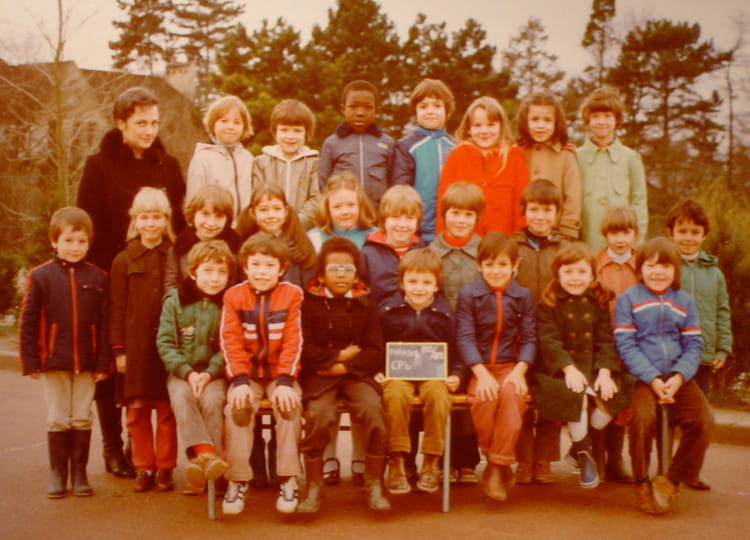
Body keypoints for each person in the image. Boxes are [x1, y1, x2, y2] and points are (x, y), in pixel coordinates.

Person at [77, 86, 185, 479]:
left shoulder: (168, 166)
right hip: (112, 276)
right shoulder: (98, 165)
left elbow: (179, 224)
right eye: (141, 123)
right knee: (113, 365)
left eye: (154, 122)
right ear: (121, 124)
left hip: (158, 277)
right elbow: (88, 223)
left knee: (153, 364)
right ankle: (112, 445)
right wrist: (99, 275)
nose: (149, 130)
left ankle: (140, 447)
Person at [614, 237, 713, 515]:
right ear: (640, 269)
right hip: (642, 378)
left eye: (666, 266)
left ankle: (671, 480)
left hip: (678, 378)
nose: (658, 272)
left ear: (676, 270)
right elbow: (626, 346)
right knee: (642, 419)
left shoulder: (684, 301)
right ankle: (641, 480)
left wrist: (679, 377)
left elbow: (694, 345)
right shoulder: (629, 299)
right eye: (651, 265)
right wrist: (653, 379)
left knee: (704, 420)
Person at [19, 207, 109, 498]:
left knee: (82, 416)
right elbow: (28, 321)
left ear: (89, 243)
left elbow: (105, 324)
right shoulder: (40, 276)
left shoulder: (98, 277)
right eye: (68, 240)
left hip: (87, 361)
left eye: (81, 241)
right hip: (53, 361)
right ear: (54, 241)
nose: (75, 247)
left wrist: (103, 363)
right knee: (58, 417)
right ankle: (58, 474)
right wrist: (31, 361)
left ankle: (79, 474)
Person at [297, 237, 391, 512]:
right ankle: (314, 485)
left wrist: (347, 367)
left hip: (356, 375)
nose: (341, 274)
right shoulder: (308, 303)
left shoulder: (365, 302)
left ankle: (374, 482)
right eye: (334, 268)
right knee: (318, 415)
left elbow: (375, 350)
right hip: (319, 374)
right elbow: (304, 348)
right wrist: (339, 356)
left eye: (348, 269)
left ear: (356, 274)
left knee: (373, 411)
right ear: (321, 274)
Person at [533, 243, 633, 490]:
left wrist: (605, 372)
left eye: (581, 272)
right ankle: (585, 456)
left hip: (593, 366)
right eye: (568, 272)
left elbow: (606, 340)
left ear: (592, 276)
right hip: (557, 370)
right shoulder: (548, 303)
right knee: (576, 396)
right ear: (558, 274)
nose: (575, 278)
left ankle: (577, 445)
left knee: (614, 396)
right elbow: (549, 341)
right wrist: (568, 369)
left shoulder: (598, 301)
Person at [221, 233, 304, 516]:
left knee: (289, 406)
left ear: (281, 269)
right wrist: (239, 381)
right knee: (237, 407)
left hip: (280, 374)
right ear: (245, 266)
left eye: (269, 265)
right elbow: (230, 341)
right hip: (248, 375)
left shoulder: (292, 294)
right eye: (255, 264)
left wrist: (285, 381)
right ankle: (238, 479)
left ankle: (288, 477)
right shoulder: (233, 296)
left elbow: (294, 340)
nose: (262, 272)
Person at [456, 232, 536, 502]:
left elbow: (530, 337)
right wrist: (481, 373)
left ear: (515, 265)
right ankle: (500, 462)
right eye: (489, 264)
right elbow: (465, 337)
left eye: (503, 264)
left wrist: (520, 370)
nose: (496, 271)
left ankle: (494, 466)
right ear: (479, 265)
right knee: (484, 399)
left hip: (510, 366)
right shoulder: (469, 294)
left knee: (512, 397)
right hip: (479, 367)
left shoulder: (522, 296)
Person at [109, 187, 178, 493]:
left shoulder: (174, 256)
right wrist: (119, 351)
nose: (151, 224)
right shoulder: (123, 260)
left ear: (167, 220)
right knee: (136, 413)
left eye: (157, 217)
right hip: (135, 350)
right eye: (145, 217)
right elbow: (116, 309)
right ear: (135, 220)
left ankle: (165, 467)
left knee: (166, 411)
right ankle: (143, 466)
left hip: (167, 348)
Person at [378, 249, 462, 495]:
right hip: (398, 375)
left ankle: (431, 461)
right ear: (401, 282)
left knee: (439, 396)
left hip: (434, 376)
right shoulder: (387, 312)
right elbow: (376, 346)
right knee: (394, 396)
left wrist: (457, 374)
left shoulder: (446, 315)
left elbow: (457, 351)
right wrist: (378, 371)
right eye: (413, 281)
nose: (419, 288)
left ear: (437, 285)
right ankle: (396, 460)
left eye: (426, 282)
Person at [157, 240, 234, 495]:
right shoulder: (175, 300)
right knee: (182, 397)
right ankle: (206, 459)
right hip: (182, 372)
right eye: (208, 270)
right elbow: (165, 342)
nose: (215, 278)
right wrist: (188, 373)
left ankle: (204, 471)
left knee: (212, 402)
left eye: (221, 272)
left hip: (214, 373)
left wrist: (210, 373)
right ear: (193, 272)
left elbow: (230, 344)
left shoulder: (229, 303)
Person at [666, 199, 732, 490]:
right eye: (682, 231)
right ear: (671, 233)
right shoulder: (666, 267)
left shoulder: (714, 273)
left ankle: (690, 470)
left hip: (702, 355)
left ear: (704, 235)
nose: (688, 238)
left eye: (695, 232)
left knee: (697, 418)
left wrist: (723, 347)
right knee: (669, 415)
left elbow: (722, 310)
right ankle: (665, 468)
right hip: (671, 355)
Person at [512, 179, 569, 485]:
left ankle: (544, 458)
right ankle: (523, 458)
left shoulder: (565, 248)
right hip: (518, 335)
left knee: (551, 396)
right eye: (534, 209)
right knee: (521, 396)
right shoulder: (513, 245)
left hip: (553, 334)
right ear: (524, 211)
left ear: (557, 213)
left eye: (548, 210)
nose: (540, 216)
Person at [429, 182, 485, 484]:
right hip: (438, 337)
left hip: (474, 337)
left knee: (467, 399)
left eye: (468, 214)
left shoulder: (484, 253)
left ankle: (467, 462)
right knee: (442, 396)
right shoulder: (430, 252)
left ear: (477, 218)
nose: (461, 220)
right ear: (444, 215)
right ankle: (440, 461)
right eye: (455, 213)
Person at [437, 96, 529, 236]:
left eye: (491, 125)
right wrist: (443, 240)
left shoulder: (514, 158)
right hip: (464, 241)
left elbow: (521, 207)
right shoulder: (457, 157)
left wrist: (520, 241)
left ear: (501, 127)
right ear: (468, 129)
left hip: (503, 241)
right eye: (477, 125)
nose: (484, 131)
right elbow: (443, 205)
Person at [594, 205, 640, 484]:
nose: (620, 239)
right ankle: (597, 458)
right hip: (602, 341)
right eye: (614, 233)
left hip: (631, 343)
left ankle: (615, 458)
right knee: (601, 399)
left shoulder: (641, 265)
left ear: (635, 234)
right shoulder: (596, 265)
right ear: (605, 235)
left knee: (623, 402)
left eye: (626, 233)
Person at [576, 86, 647, 252]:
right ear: (587, 120)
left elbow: (639, 204)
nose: (601, 122)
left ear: (617, 119)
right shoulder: (575, 157)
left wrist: (636, 245)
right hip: (585, 247)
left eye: (607, 116)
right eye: (595, 116)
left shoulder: (631, 158)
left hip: (622, 249)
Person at [390, 79, 456, 242]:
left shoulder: (456, 146)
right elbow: (401, 190)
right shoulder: (406, 146)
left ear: (447, 110)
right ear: (415, 111)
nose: (430, 111)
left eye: (437, 106)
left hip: (451, 230)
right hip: (417, 232)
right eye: (424, 106)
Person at [515, 90, 581, 240]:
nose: (540, 126)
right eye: (534, 119)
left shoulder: (566, 156)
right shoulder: (517, 152)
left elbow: (573, 197)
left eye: (547, 120)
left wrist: (567, 232)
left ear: (556, 123)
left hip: (555, 234)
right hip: (521, 234)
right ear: (525, 121)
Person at [318, 80, 394, 206]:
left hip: (377, 213)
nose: (360, 113)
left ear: (377, 110)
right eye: (353, 107)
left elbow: (393, 183)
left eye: (368, 107)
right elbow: (322, 184)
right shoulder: (331, 143)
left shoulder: (387, 143)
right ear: (343, 109)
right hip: (344, 212)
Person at [252, 99, 321, 230]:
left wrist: (295, 224)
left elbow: (317, 199)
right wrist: (273, 221)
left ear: (307, 133)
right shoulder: (261, 163)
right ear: (275, 132)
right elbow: (257, 197)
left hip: (302, 230)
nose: (290, 136)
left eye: (297, 131)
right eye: (284, 130)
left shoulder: (314, 163)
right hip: (268, 229)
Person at [186, 95, 254, 225]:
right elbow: (193, 203)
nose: (230, 126)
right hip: (214, 227)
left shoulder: (248, 158)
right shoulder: (202, 159)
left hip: (245, 229)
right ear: (213, 125)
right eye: (224, 121)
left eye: (237, 122)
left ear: (244, 127)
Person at [237, 183, 316, 289]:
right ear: (253, 213)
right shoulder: (245, 246)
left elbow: (310, 285)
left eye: (277, 209)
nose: (271, 215)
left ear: (286, 211)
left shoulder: (299, 244)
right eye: (263, 210)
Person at [361, 184, 427, 306]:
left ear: (418, 222)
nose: (402, 224)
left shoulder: (423, 253)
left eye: (409, 218)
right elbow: (361, 296)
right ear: (384, 219)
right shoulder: (368, 254)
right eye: (395, 217)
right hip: (379, 315)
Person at [165, 184, 241, 289]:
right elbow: (171, 285)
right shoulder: (179, 249)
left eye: (219, 216)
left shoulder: (236, 249)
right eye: (205, 214)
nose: (211, 223)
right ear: (193, 214)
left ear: (227, 219)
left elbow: (240, 284)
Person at [307, 172, 378, 252]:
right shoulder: (314, 238)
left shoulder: (375, 237)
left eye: (351, 205)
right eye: (337, 206)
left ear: (361, 205)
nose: (345, 212)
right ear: (327, 208)